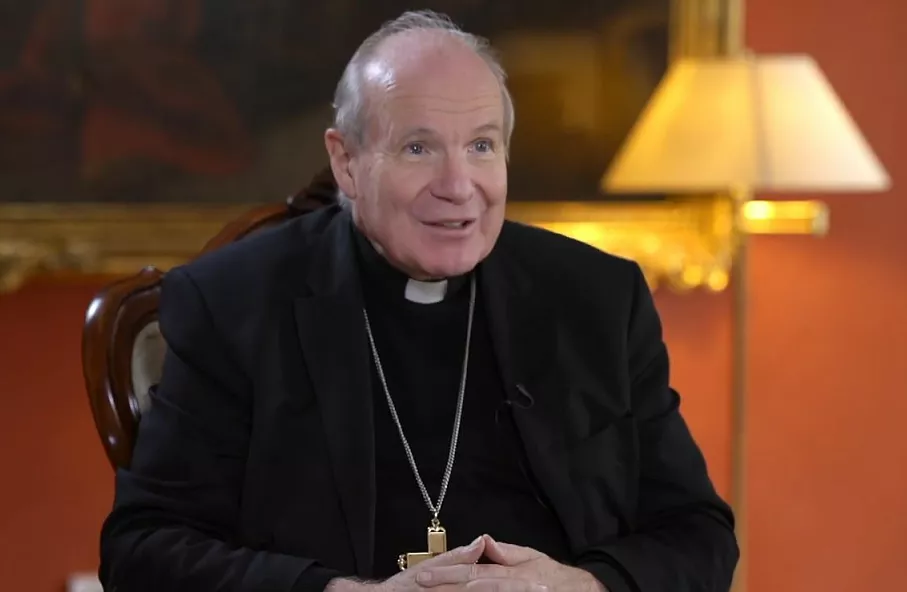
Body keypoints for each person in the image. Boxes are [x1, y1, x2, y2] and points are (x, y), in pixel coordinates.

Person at [99, 10, 738, 592]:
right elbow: (143, 550)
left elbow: (699, 534)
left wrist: (581, 587)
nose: (458, 186)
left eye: (481, 146)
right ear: (346, 163)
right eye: (418, 148)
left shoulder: (596, 298)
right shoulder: (232, 302)